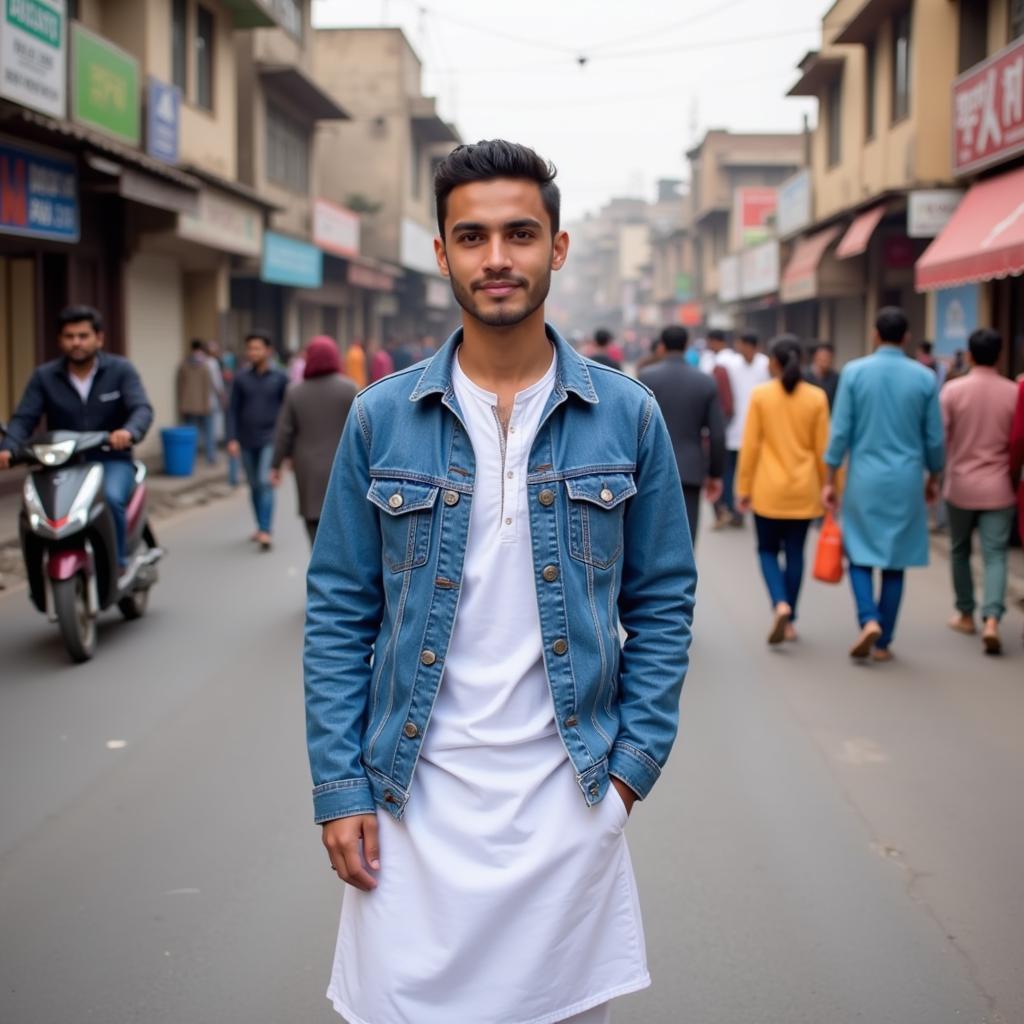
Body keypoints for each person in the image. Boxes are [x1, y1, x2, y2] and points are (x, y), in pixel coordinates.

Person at [305, 139, 696, 1024]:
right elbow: (338, 612)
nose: (497, 259)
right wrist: (340, 789)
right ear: (442, 254)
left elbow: (664, 601)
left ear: (556, 248)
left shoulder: (627, 416)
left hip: (568, 807)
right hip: (410, 807)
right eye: (472, 237)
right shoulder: (380, 418)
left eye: (520, 234)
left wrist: (631, 770)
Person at [823, 307, 945, 662]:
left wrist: (830, 478)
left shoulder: (855, 372)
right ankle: (883, 641)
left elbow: (840, 431)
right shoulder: (924, 378)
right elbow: (935, 439)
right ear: (906, 337)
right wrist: (934, 476)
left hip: (864, 478)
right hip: (906, 480)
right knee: (895, 560)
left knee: (859, 552)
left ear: (875, 334)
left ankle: (868, 618)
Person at [0, 305, 153, 568]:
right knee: (35, 511)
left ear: (99, 338)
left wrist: (128, 432)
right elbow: (24, 417)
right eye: (69, 337)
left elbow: (141, 408)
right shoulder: (44, 376)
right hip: (61, 464)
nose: (76, 343)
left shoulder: (120, 370)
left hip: (111, 460)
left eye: (83, 336)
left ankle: (118, 564)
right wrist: (8, 447)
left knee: (111, 499)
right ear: (60, 340)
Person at [736, 335, 829, 645]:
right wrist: (832, 487)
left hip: (768, 490)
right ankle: (790, 620)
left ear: (773, 362)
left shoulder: (761, 396)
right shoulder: (816, 397)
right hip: (804, 490)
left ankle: (780, 603)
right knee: (795, 554)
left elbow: (750, 447)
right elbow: (823, 450)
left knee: (766, 550)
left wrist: (743, 487)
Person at [940, 328, 1019, 655]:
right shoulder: (1015, 392)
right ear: (1000, 355)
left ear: (969, 355)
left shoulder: (952, 391)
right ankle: (992, 620)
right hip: (1000, 486)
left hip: (960, 484)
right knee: (995, 554)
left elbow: (941, 441)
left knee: (959, 550)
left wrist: (934, 477)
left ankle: (966, 614)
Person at [639, 325, 724, 538]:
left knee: (650, 535)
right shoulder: (705, 382)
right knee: (686, 535)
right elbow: (717, 434)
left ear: (663, 345)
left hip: (650, 467)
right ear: (686, 345)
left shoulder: (646, 378)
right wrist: (715, 474)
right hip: (690, 469)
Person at [271, 336, 358, 545]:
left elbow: (284, 432)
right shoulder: (349, 389)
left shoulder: (295, 392)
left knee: (313, 518)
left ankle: (318, 565)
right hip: (343, 463)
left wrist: (276, 465)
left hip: (306, 466)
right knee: (343, 519)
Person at [227, 332, 288, 550]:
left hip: (270, 438)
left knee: (264, 481)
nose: (253, 352)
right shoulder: (241, 378)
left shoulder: (280, 377)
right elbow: (232, 410)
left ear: (268, 351)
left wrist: (287, 448)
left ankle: (265, 529)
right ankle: (259, 525)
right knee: (253, 485)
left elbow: (287, 412)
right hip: (246, 438)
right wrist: (232, 438)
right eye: (250, 348)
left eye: (257, 348)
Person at [720, 330, 770, 528]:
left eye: (741, 344)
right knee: (732, 471)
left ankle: (754, 504)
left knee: (754, 470)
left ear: (752, 346)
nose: (739, 348)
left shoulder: (765, 364)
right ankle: (734, 509)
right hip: (734, 428)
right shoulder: (730, 365)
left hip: (759, 429)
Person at [177, 339, 215, 465]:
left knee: (191, 433)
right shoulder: (205, 365)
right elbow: (207, 386)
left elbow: (180, 387)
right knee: (208, 433)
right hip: (204, 405)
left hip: (188, 405)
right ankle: (210, 457)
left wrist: (181, 405)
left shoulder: (183, 365)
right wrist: (207, 404)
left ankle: (190, 458)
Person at [805, 341, 840, 409]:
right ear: (815, 356)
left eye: (828, 356)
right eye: (823, 356)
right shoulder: (804, 376)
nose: (825, 359)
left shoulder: (836, 378)